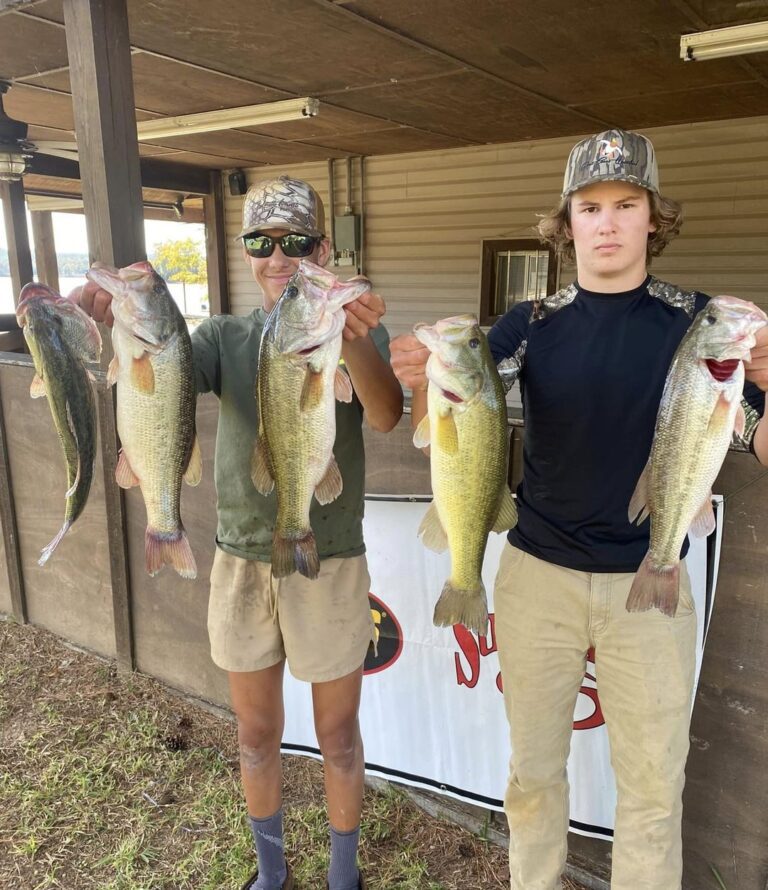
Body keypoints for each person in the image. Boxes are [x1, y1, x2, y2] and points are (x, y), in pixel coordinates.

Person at [390, 128, 768, 890]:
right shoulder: (528, 324)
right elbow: (456, 420)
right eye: (589, 207)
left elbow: (759, 440)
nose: (607, 223)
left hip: (651, 584)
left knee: (653, 789)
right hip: (538, 577)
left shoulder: (703, 327)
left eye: (626, 204)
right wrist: (423, 380)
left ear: (654, 218)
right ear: (565, 223)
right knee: (532, 775)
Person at [76, 175, 403, 890]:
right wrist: (106, 326)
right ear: (246, 250)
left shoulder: (354, 327)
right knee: (255, 735)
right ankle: (271, 872)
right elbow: (160, 372)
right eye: (260, 241)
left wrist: (353, 342)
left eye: (295, 242)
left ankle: (342, 875)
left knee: (338, 736)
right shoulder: (223, 336)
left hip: (329, 558)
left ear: (322, 249)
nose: (277, 257)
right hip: (239, 559)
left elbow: (384, 414)